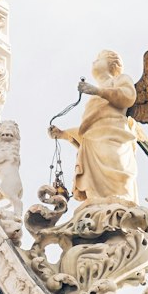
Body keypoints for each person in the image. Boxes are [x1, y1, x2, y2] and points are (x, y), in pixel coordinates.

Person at [50, 51, 140, 205]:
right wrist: (64, 134)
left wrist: (97, 91)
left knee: (117, 170)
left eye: (98, 59)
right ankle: (96, 207)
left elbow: (128, 96)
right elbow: (90, 129)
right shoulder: (93, 99)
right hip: (93, 142)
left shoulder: (121, 79)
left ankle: (121, 206)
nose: (94, 62)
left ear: (112, 64)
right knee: (94, 188)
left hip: (114, 137)